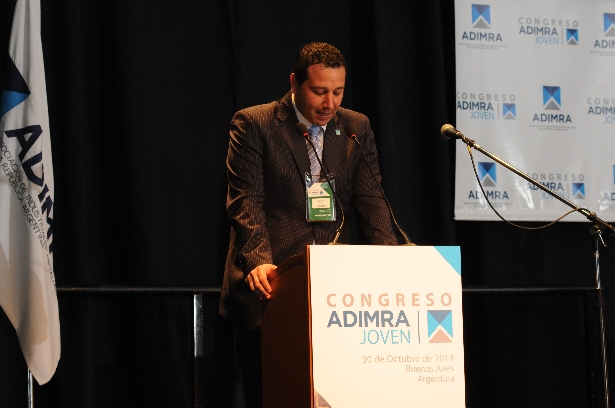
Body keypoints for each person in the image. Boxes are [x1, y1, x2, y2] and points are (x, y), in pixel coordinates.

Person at [219, 42, 401, 407]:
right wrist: (259, 262)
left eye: (338, 92)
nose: (329, 103)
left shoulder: (355, 127)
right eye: (319, 91)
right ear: (294, 83)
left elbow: (372, 201)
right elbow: (247, 201)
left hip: (336, 297)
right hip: (272, 287)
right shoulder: (255, 123)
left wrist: (394, 264)